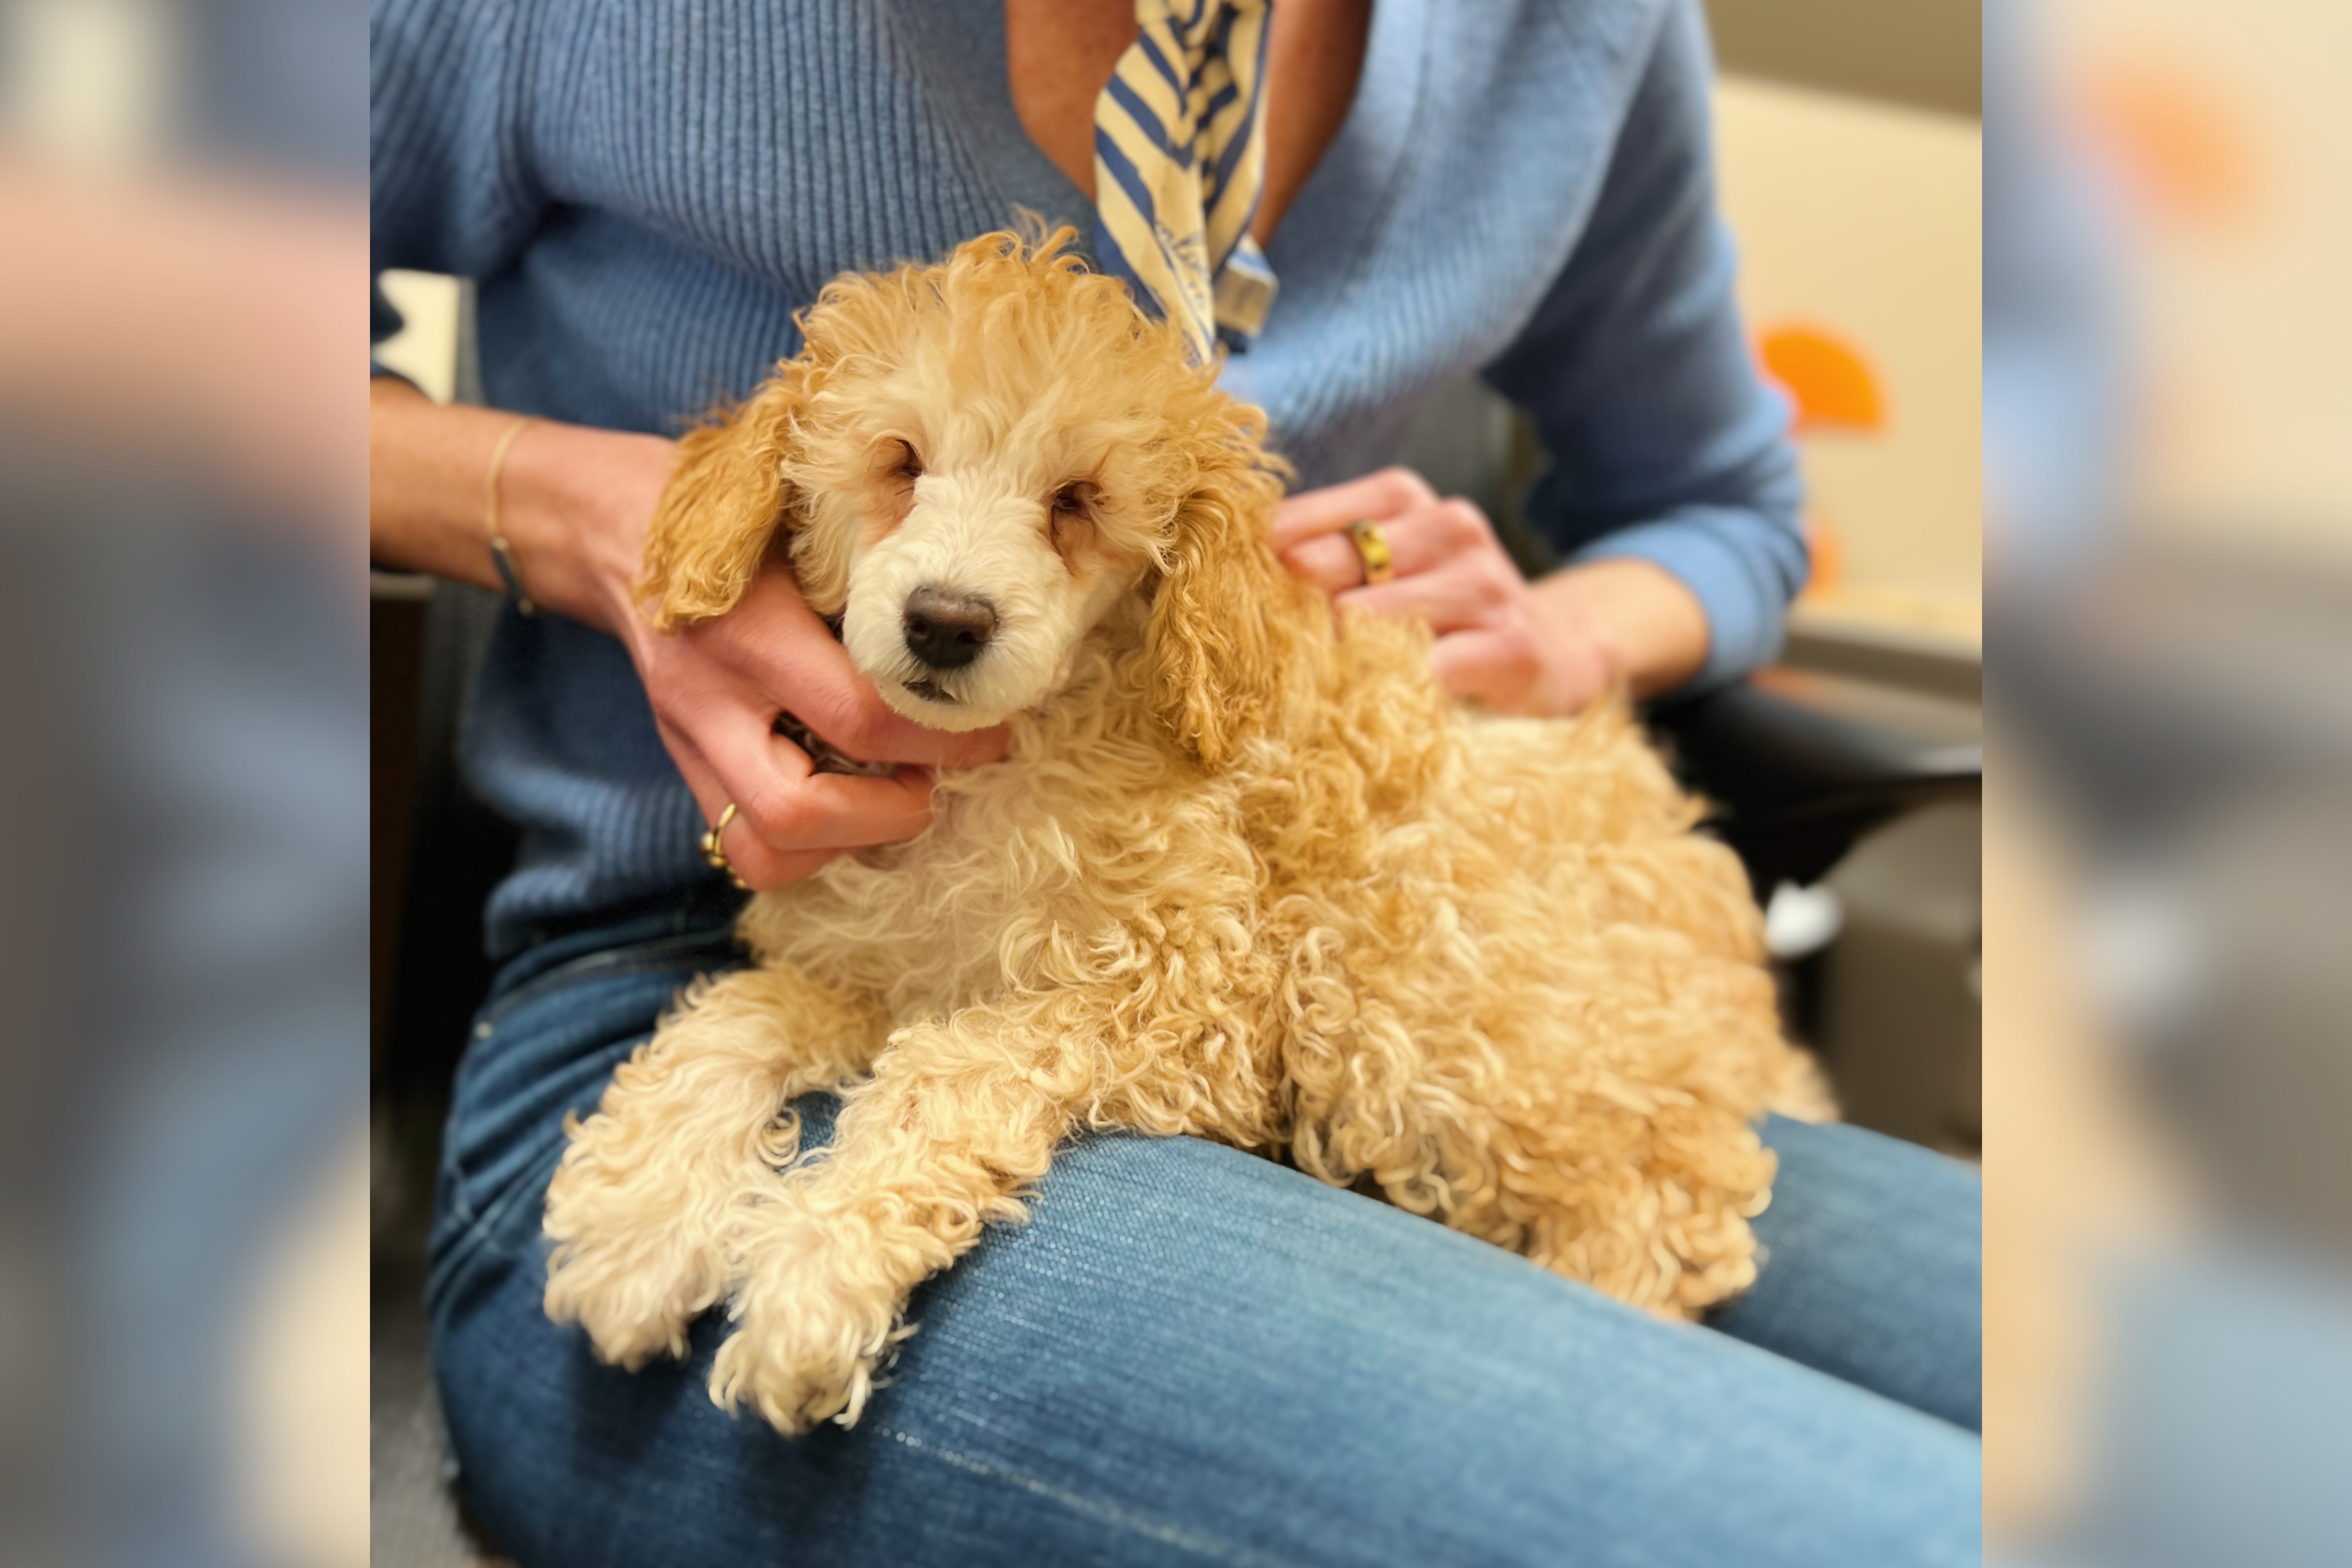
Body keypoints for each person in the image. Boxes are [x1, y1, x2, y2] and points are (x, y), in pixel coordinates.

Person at [370, 1, 1981, 1561]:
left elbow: (1725, 509)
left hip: (1345, 992)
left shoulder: (1568, 25)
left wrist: (1549, 634)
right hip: (677, 983)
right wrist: (567, 508)